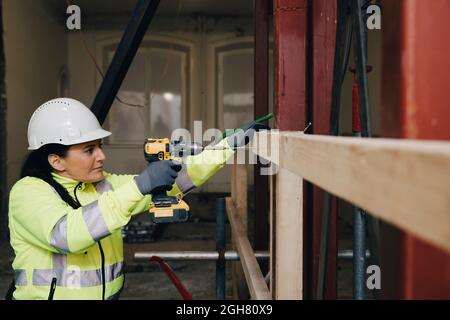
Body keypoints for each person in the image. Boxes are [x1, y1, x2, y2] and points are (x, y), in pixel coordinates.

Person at [7, 98, 263, 300]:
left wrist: (227, 146)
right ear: (56, 160)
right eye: (89, 150)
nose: (101, 156)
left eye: (100, 146)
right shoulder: (28, 192)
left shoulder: (102, 185)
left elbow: (179, 181)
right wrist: (141, 184)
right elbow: (65, 235)